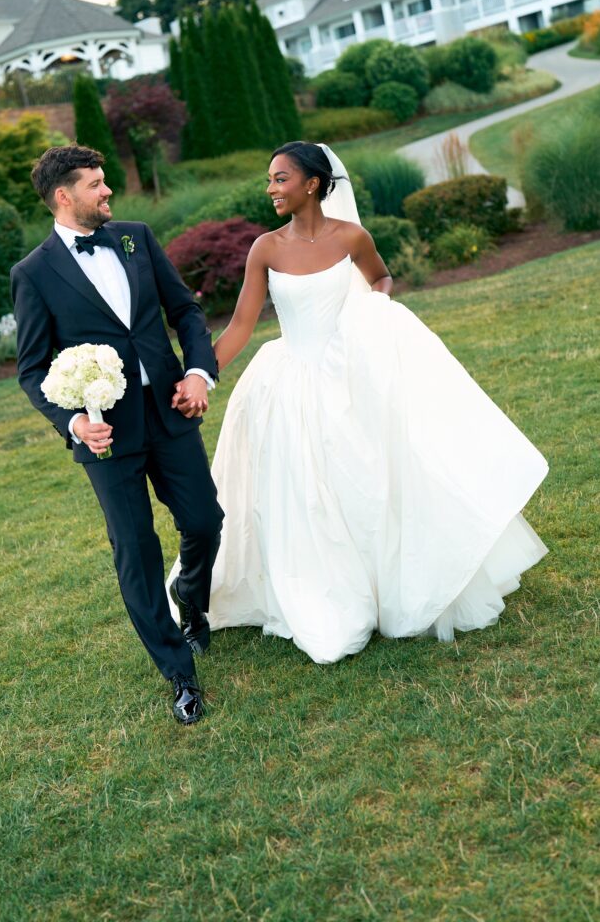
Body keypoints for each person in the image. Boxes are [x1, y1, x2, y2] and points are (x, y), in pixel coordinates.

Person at [169, 141, 548, 664]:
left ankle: (380, 583)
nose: (271, 188)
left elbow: (381, 280)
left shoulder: (352, 237)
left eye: (280, 178)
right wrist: (200, 377)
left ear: (312, 184)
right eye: (269, 179)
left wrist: (371, 316)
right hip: (289, 383)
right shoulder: (266, 248)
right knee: (302, 492)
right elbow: (240, 325)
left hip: (351, 376)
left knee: (367, 480)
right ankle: (319, 590)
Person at [11, 145, 224, 724]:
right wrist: (76, 421)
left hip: (170, 410)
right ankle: (180, 673)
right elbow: (31, 369)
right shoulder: (32, 274)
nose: (108, 192)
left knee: (206, 520)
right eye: (96, 184)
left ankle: (191, 598)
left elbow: (185, 313)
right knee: (135, 550)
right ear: (64, 196)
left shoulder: (136, 237)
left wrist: (199, 372)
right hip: (105, 434)